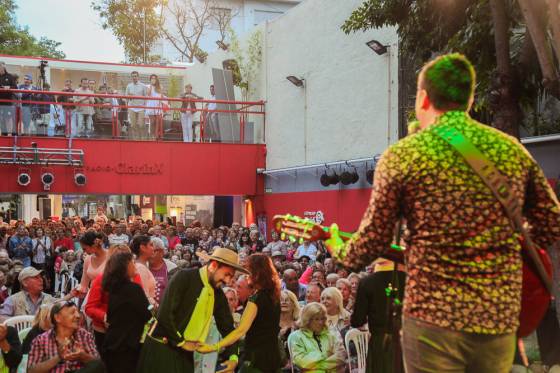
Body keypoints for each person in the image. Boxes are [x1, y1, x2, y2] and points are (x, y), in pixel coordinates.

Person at [333, 53, 560, 372]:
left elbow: (373, 241)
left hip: (432, 320)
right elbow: (551, 225)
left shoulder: (404, 155)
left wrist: (339, 249)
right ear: (469, 99)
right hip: (496, 317)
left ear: (423, 99)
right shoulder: (510, 150)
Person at [137, 247, 244, 373]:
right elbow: (164, 315)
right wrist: (182, 343)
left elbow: (227, 328)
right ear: (213, 266)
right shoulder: (184, 278)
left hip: (185, 354)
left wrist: (233, 357)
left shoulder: (218, 294)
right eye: (226, 274)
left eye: (231, 276)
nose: (227, 280)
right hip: (161, 348)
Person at [197, 253, 283, 373]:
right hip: (273, 358)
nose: (246, 276)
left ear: (256, 274)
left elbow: (240, 331)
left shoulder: (256, 299)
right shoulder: (274, 297)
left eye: (248, 272)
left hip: (256, 361)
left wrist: (214, 347)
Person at [351, 258, 406, 373]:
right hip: (406, 344)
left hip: (379, 344)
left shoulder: (367, 282)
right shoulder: (410, 280)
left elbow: (357, 321)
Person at [102, 251, 151, 373]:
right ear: (124, 266)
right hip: (127, 345)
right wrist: (153, 308)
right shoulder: (133, 289)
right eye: (132, 263)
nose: (135, 266)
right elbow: (147, 313)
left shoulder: (114, 288)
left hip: (113, 343)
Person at [27, 300, 103, 373]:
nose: (78, 316)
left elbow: (98, 365)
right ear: (57, 318)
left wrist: (82, 356)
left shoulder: (85, 335)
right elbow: (31, 371)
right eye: (72, 312)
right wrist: (58, 357)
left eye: (77, 312)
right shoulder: (41, 340)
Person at [287, 302, 346, 373]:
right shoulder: (296, 336)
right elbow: (302, 362)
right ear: (307, 320)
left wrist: (317, 364)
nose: (321, 322)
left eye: (323, 319)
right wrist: (327, 355)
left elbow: (341, 356)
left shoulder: (330, 333)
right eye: (317, 319)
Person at [148, 236, 177, 305]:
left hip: (165, 310)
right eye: (148, 251)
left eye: (153, 251)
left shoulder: (172, 268)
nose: (150, 254)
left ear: (162, 252)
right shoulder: (143, 267)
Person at [131, 235, 156, 305]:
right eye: (151, 245)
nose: (153, 248)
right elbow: (145, 297)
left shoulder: (145, 264)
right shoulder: (140, 268)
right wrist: (157, 308)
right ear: (142, 247)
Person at [125, 71, 147, 140]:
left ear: (138, 77)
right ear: (131, 77)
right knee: (133, 125)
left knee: (141, 125)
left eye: (135, 76)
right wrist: (127, 103)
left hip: (141, 107)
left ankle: (143, 139)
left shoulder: (143, 86)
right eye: (133, 76)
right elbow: (126, 96)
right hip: (131, 107)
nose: (134, 77)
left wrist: (145, 107)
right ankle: (136, 140)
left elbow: (146, 97)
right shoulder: (129, 85)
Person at [0, 62, 17, 135]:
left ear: (3, 67)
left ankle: (9, 134)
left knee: (8, 118)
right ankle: (1, 133)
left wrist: (9, 87)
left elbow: (15, 87)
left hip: (7, 102)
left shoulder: (10, 76)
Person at [145, 74, 164, 139]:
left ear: (156, 79)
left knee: (157, 122)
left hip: (158, 105)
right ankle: (151, 136)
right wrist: (151, 85)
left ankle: (155, 137)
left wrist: (161, 103)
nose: (153, 80)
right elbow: (148, 94)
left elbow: (161, 96)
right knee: (152, 121)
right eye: (152, 78)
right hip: (151, 105)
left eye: (154, 78)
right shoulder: (148, 86)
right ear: (150, 80)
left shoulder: (160, 87)